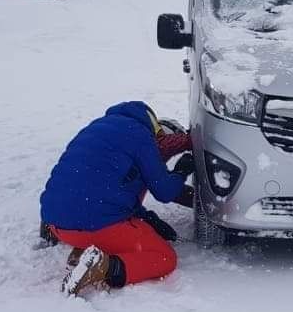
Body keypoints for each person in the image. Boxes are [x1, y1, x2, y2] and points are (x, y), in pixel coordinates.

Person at [40, 101, 197, 296]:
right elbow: (164, 192)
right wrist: (181, 172)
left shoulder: (97, 128)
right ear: (157, 130)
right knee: (164, 257)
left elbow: (108, 185)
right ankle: (103, 266)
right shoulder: (142, 137)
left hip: (56, 222)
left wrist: (144, 217)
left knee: (92, 199)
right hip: (94, 225)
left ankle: (81, 248)